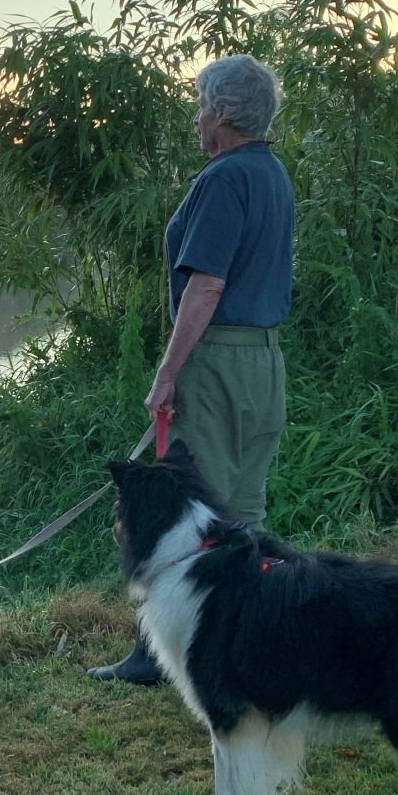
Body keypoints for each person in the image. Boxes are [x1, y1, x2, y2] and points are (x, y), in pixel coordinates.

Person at [88, 53, 295, 685]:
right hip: (265, 361)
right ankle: (251, 644)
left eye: (203, 103)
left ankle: (157, 654)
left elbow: (205, 286)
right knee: (244, 511)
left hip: (218, 357)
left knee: (184, 510)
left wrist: (168, 370)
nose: (197, 116)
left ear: (225, 113)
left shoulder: (224, 178)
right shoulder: (273, 174)